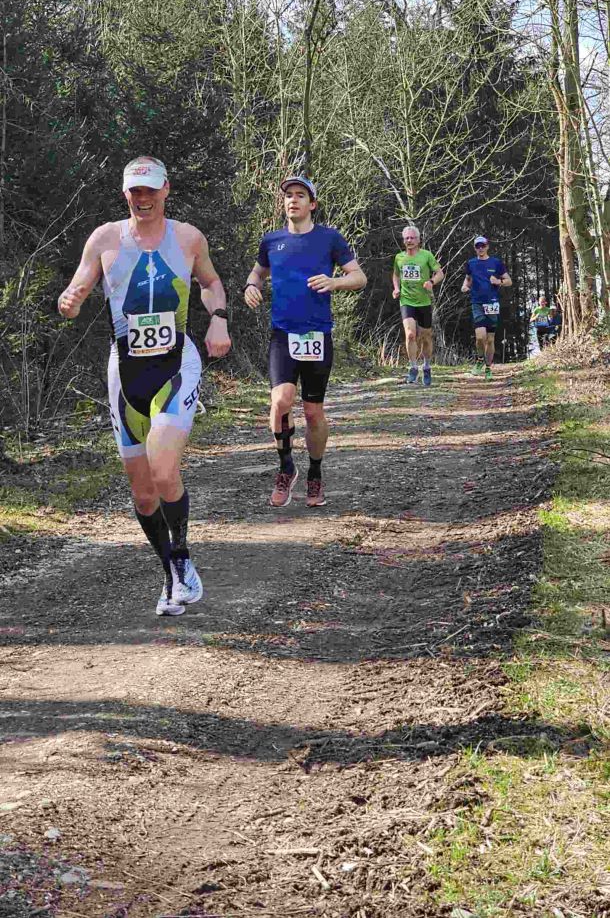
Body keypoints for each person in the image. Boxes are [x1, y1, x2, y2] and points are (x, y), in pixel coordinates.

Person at [58, 155, 231, 616]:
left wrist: (218, 318)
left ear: (166, 189)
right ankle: (171, 573)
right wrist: (70, 301)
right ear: (125, 194)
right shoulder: (105, 238)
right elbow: (78, 288)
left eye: (151, 189)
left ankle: (183, 556)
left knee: (163, 468)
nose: (143, 198)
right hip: (125, 372)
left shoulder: (188, 237)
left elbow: (211, 282)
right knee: (142, 492)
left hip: (176, 364)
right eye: (135, 191)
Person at [244, 176, 366, 509]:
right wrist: (251, 286)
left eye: (300, 195)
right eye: (288, 195)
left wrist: (334, 282)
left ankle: (315, 473)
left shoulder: (329, 239)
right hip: (283, 334)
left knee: (313, 412)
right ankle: (286, 467)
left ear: (312, 204)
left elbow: (359, 277)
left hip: (317, 335)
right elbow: (257, 273)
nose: (293, 200)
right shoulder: (272, 240)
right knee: (281, 400)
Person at [391, 225, 444, 387]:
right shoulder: (399, 257)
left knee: (426, 336)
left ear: (418, 240)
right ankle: (413, 367)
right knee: (410, 335)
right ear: (403, 241)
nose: (409, 241)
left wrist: (431, 282)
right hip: (406, 301)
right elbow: (396, 275)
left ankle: (426, 366)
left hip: (424, 302)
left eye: (412, 238)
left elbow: (440, 273)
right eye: (406, 238)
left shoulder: (426, 255)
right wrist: (396, 288)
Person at [461, 236, 512, 380]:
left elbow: (509, 281)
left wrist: (498, 281)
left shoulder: (496, 263)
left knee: (490, 339)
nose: (480, 248)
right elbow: (468, 279)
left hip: (492, 304)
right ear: (475, 248)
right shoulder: (471, 263)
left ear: (487, 246)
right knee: (480, 337)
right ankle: (479, 360)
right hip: (477, 302)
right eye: (478, 246)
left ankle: (488, 367)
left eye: (483, 245)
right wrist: (465, 286)